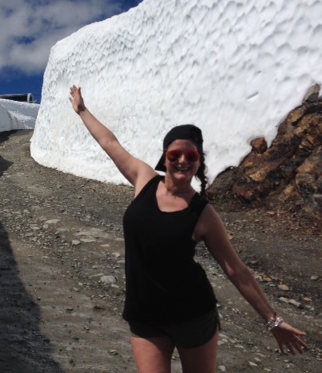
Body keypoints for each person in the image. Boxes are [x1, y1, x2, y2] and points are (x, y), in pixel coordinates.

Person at [68, 85, 307, 373]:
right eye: (176, 153)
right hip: (145, 315)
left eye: (191, 156)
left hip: (192, 316)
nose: (183, 160)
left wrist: (273, 320)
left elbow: (236, 270)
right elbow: (110, 143)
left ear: (198, 162)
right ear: (165, 156)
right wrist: (83, 111)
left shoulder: (203, 213)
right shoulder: (144, 179)